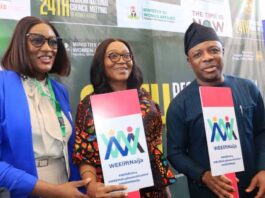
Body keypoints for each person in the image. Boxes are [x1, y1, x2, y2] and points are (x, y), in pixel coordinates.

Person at [166, 22, 265, 198]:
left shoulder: (249, 89)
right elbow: (175, 153)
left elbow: (262, 132)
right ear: (189, 61)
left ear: (223, 51)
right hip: (208, 192)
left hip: (253, 189)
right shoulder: (179, 105)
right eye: (198, 54)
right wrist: (203, 175)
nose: (207, 57)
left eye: (213, 50)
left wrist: (263, 168)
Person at [73, 38, 176, 198]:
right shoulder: (89, 106)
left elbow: (154, 148)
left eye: (126, 56)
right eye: (113, 56)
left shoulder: (145, 99)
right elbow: (85, 155)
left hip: (153, 189)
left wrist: (165, 188)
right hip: (113, 190)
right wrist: (91, 185)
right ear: (101, 63)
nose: (121, 61)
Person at [0, 16, 90, 197]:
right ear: (20, 44)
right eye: (37, 41)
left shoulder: (59, 90)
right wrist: (53, 191)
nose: (48, 48)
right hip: (26, 188)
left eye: (53, 42)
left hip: (68, 186)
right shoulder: (3, 85)